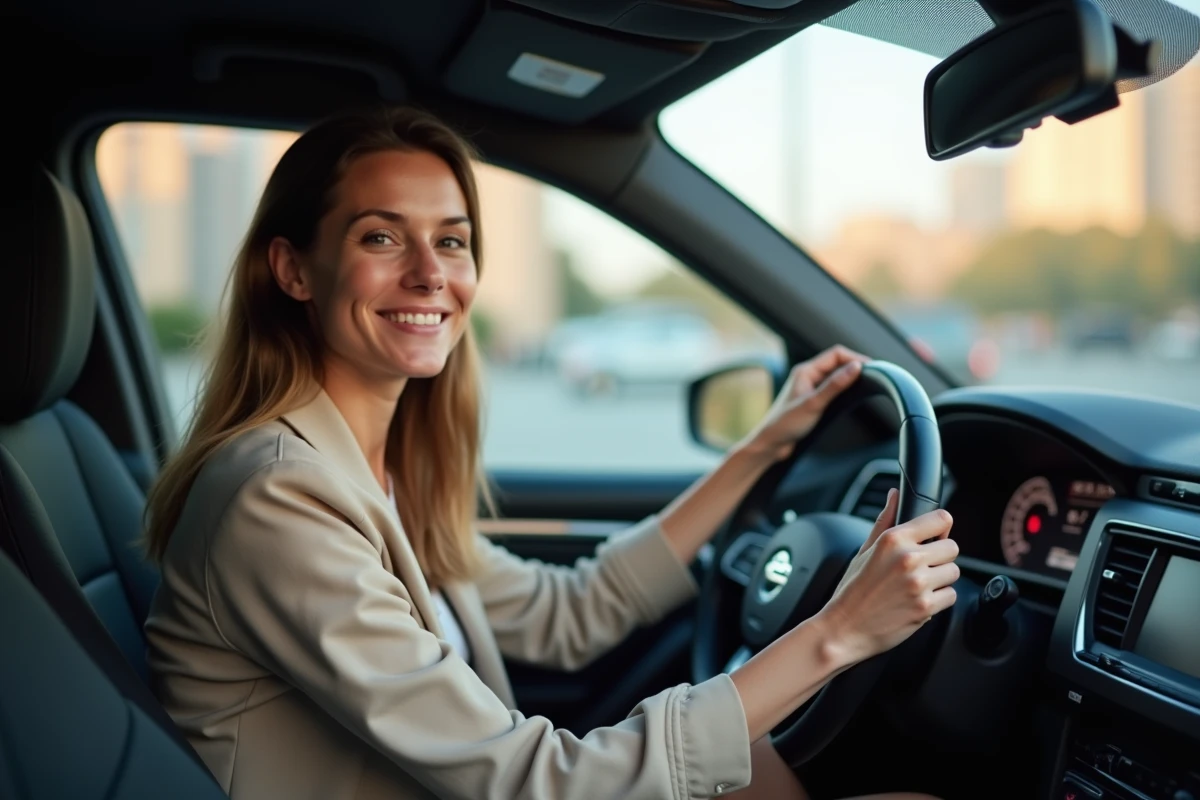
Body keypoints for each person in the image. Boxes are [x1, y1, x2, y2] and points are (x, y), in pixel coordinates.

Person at [142, 106, 959, 800]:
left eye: (452, 241)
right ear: (294, 270)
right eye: (382, 237)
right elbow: (533, 781)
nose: (430, 274)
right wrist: (839, 633)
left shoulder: (371, 476)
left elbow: (571, 614)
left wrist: (760, 446)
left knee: (750, 762)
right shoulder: (280, 498)